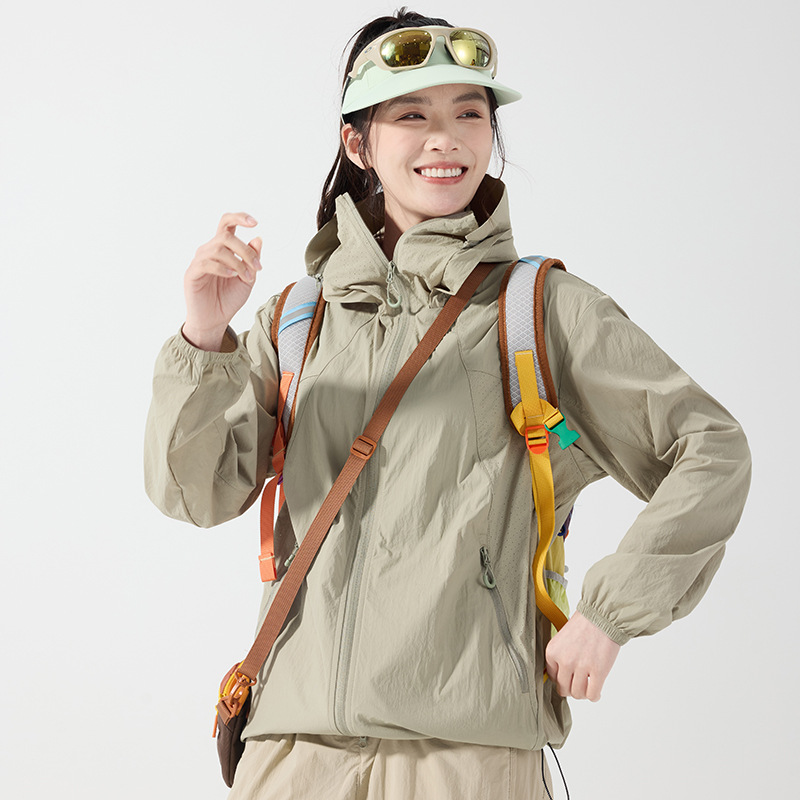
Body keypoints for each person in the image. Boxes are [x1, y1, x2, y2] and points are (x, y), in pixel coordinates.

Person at [144, 8, 751, 799]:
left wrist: (610, 613)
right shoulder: (298, 318)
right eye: (413, 116)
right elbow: (195, 495)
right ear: (357, 143)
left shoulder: (539, 312)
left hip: (467, 757)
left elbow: (711, 448)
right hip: (292, 754)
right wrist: (204, 334)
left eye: (470, 114)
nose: (447, 139)